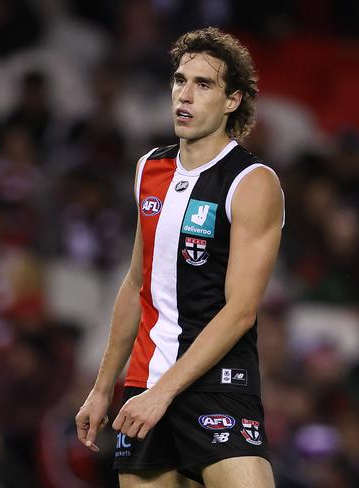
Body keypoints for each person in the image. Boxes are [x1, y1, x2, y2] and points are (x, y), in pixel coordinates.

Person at [75, 27, 284, 487]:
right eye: (179, 81)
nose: (184, 96)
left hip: (217, 385)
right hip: (145, 382)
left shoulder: (252, 181)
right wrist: (101, 389)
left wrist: (164, 393)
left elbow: (242, 310)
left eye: (203, 84)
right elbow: (135, 284)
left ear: (233, 101)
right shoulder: (150, 169)